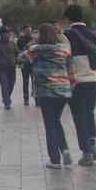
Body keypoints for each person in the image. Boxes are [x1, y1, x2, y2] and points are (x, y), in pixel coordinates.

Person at [63, 4, 96, 167]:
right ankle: (93, 144)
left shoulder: (66, 35)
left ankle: (86, 152)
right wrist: (92, 70)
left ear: (68, 18)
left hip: (76, 82)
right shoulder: (94, 34)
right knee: (89, 112)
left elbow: (64, 58)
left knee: (79, 117)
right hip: (93, 80)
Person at [28, 23, 74, 169]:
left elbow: (23, 57)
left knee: (50, 124)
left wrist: (35, 41)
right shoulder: (64, 50)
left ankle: (54, 159)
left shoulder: (35, 50)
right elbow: (71, 70)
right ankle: (65, 150)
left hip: (45, 92)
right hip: (63, 91)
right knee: (56, 121)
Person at [0, 26, 18, 109]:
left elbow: (17, 53)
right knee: (4, 85)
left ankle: (6, 97)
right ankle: (7, 102)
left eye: (8, 33)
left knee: (11, 85)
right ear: (1, 34)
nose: (8, 35)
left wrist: (17, 61)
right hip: (1, 69)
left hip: (12, 68)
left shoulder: (12, 44)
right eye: (6, 33)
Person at [16, 25, 35, 106]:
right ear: (24, 31)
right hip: (25, 63)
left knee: (35, 81)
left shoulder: (33, 39)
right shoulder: (20, 39)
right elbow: (22, 49)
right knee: (25, 81)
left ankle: (36, 98)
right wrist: (31, 44)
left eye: (30, 31)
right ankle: (26, 99)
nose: (29, 32)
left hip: (33, 63)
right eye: (27, 31)